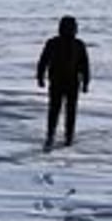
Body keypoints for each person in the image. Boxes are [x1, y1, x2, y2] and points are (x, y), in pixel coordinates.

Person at [36, 15, 90, 151]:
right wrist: (40, 77)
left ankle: (69, 137)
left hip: (72, 82)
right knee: (54, 110)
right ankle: (50, 135)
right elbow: (43, 61)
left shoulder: (78, 44)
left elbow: (85, 65)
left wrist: (85, 83)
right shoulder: (53, 43)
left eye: (72, 27)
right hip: (56, 81)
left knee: (70, 111)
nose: (70, 30)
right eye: (68, 27)